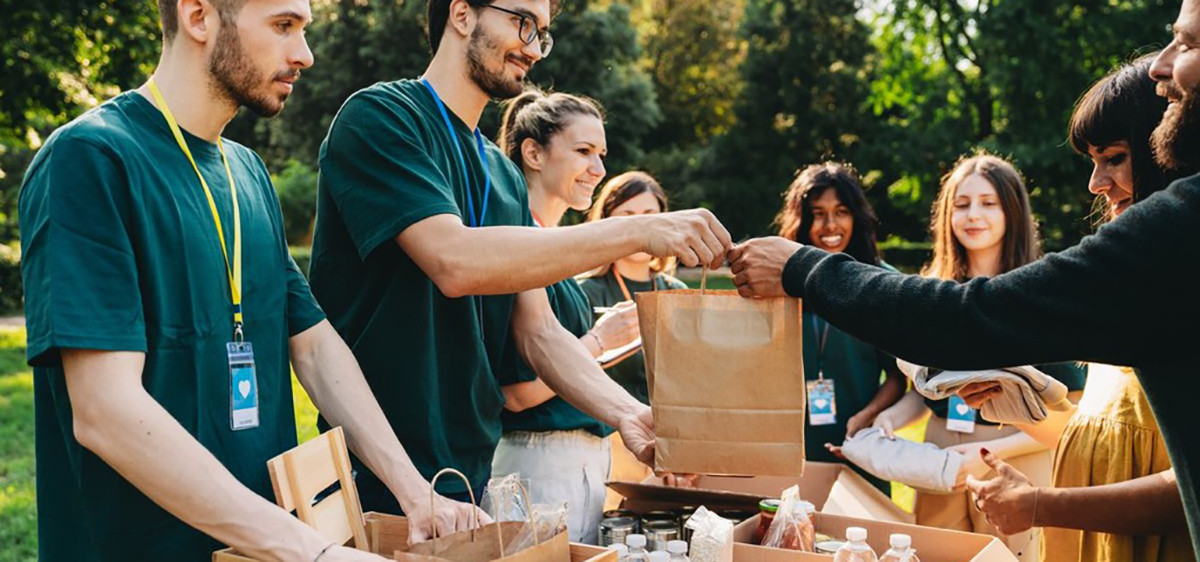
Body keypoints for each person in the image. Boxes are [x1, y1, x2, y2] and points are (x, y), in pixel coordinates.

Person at [727, 3, 1200, 555]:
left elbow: (964, 316)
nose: (1161, 64)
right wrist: (1036, 405)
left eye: (1186, 44)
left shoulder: (1176, 232)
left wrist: (800, 267)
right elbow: (1120, 443)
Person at [17, 0, 481, 560]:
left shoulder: (248, 172)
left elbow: (312, 345)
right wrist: (309, 550)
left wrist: (414, 491)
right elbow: (105, 412)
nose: (304, 54)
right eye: (284, 26)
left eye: (304, 30)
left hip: (259, 548)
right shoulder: (90, 158)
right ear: (198, 17)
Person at [308, 0, 730, 516]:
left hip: (468, 476)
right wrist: (637, 229)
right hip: (372, 474)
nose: (533, 48)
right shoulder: (383, 117)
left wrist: (628, 413)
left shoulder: (503, 174)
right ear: (461, 14)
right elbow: (453, 261)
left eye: (543, 34)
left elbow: (539, 334)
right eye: (522, 22)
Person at [957, 55, 1193, 562]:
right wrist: (1017, 405)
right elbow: (1111, 437)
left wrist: (1039, 504)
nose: (1095, 183)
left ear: (1168, 151)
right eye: (1091, 161)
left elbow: (1186, 490)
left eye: (1113, 157)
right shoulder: (1128, 281)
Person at [869, 154, 1085, 561]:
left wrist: (989, 455)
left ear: (1012, 211)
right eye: (962, 204)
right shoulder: (931, 292)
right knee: (935, 555)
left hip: (1014, 455)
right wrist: (891, 419)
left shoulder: (1040, 294)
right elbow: (928, 388)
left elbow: (1070, 416)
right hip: (938, 459)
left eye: (988, 203)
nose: (973, 215)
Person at [489, 88, 640, 544]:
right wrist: (597, 340)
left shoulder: (550, 247)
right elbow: (515, 392)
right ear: (533, 152)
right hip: (538, 469)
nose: (599, 169)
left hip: (578, 468)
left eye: (601, 154)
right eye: (583, 152)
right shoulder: (516, 244)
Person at [768, 162, 905, 495]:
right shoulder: (780, 283)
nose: (830, 225)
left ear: (856, 217)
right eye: (817, 213)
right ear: (800, 220)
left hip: (857, 444)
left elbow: (900, 377)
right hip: (789, 449)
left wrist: (867, 416)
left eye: (841, 211)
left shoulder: (880, 281)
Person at [578, 171, 689, 405]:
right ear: (607, 223)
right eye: (628, 217)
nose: (641, 227)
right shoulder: (585, 292)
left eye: (650, 216)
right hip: (610, 432)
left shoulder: (678, 291)